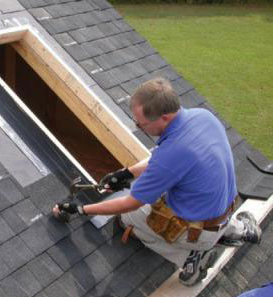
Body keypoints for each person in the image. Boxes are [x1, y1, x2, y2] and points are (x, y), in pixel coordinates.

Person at [53, 77, 261, 286]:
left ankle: (192, 257)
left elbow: (131, 202)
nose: (138, 127)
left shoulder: (171, 156)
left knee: (127, 219)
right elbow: (165, 158)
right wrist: (126, 173)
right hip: (224, 207)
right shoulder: (202, 116)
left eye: (140, 124)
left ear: (164, 118)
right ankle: (237, 229)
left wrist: (82, 209)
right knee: (168, 191)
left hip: (199, 230)